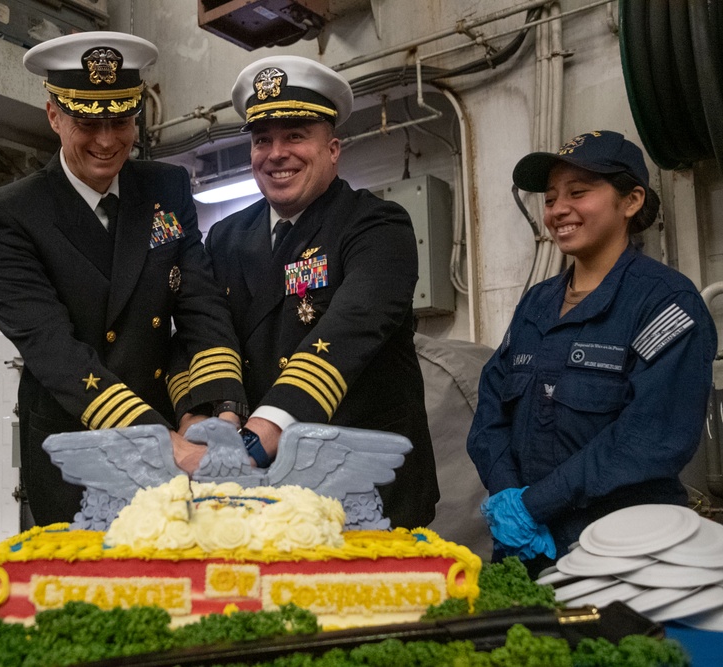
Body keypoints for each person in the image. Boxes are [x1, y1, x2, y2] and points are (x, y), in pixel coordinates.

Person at [0, 32, 246, 526]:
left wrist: (216, 407)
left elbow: (199, 301)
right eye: (87, 121)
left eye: (121, 120)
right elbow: (50, 346)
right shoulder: (10, 215)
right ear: (54, 115)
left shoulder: (165, 186)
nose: (106, 139)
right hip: (78, 440)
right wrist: (161, 440)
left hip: (174, 421)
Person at [185, 55, 439, 529]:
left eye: (296, 136)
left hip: (364, 489)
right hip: (262, 492)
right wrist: (215, 417)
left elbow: (350, 328)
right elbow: (204, 331)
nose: (276, 153)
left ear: (334, 149)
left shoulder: (377, 225)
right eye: (263, 140)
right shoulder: (225, 237)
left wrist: (265, 428)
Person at [467, 130, 716, 570]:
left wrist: (536, 504)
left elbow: (648, 437)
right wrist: (507, 493)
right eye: (549, 199)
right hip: (527, 548)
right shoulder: (537, 302)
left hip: (622, 551)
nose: (558, 209)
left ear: (631, 201)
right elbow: (491, 406)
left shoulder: (665, 302)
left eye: (578, 193)